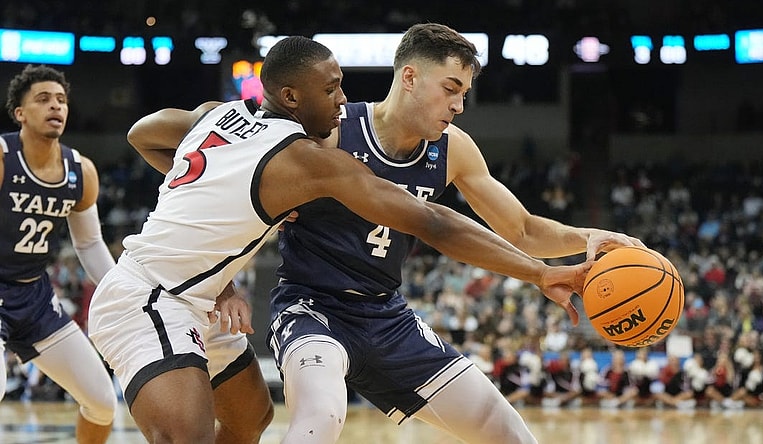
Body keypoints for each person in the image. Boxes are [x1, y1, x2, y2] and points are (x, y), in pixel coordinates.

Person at [87, 36, 597, 444]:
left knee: (249, 420)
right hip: (153, 296)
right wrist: (538, 272)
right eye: (331, 89)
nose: (342, 99)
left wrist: (216, 246)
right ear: (291, 97)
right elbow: (433, 222)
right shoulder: (309, 159)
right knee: (192, 436)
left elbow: (143, 132)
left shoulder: (219, 113)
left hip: (235, 300)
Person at [265, 23, 644, 443]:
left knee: (511, 433)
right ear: (409, 77)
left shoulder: (452, 148)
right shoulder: (332, 130)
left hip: (387, 317)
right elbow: (237, 185)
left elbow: (521, 228)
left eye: (463, 92)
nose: (459, 105)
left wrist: (586, 236)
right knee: (320, 418)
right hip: (311, 309)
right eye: (450, 88)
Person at [1, 64, 117, 443]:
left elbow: (88, 244)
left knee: (101, 401)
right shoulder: (3, 159)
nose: (56, 106)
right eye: (43, 99)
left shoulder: (80, 170)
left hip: (34, 296)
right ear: (19, 113)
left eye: (62, 100)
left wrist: (121, 289)